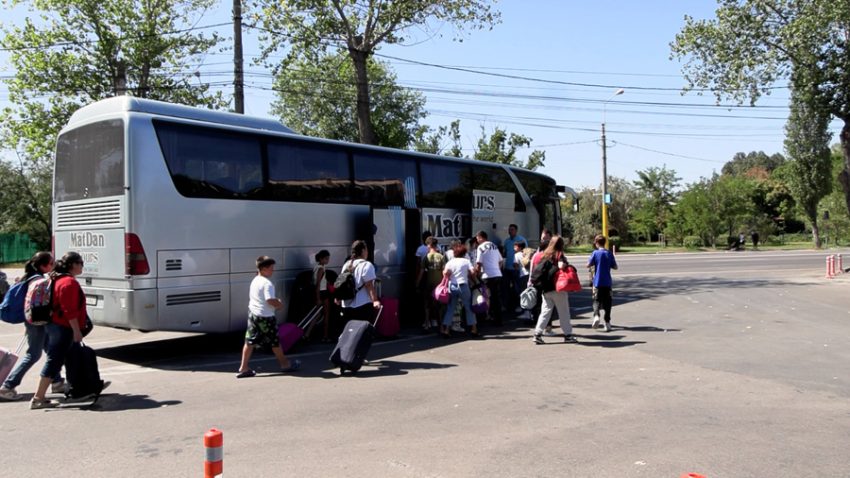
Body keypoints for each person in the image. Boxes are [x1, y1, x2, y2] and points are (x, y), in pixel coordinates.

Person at [30, 252, 110, 409]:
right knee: (54, 361)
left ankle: (81, 388)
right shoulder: (68, 283)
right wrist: (76, 331)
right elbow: (69, 311)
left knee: (72, 357)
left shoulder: (58, 279)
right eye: (80, 262)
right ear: (73, 265)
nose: (82, 266)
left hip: (56, 325)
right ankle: (38, 397)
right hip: (63, 327)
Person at [0, 252, 65, 401]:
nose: (53, 265)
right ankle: (7, 386)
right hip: (37, 321)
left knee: (50, 351)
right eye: (51, 263)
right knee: (33, 354)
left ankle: (57, 382)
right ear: (43, 266)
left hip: (32, 320)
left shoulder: (28, 276)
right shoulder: (39, 280)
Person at [237, 256, 301, 378]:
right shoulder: (267, 283)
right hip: (265, 317)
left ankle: (243, 367)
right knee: (275, 342)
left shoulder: (255, 280)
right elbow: (269, 300)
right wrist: (279, 304)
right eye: (271, 268)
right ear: (264, 269)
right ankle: (285, 364)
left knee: (249, 342)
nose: (273, 270)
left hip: (253, 314)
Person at [532, 235, 578, 344]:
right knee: (564, 312)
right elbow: (561, 266)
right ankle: (568, 335)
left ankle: (537, 334)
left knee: (545, 312)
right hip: (558, 287)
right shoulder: (558, 253)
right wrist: (566, 264)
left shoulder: (544, 254)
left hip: (545, 288)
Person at [441, 244, 478, 338]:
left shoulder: (450, 262)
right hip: (463, 286)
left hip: (452, 287)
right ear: (464, 253)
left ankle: (446, 330)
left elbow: (445, 273)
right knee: (468, 308)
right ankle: (474, 329)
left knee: (450, 308)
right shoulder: (466, 261)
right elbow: (472, 272)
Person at [339, 240, 381, 323]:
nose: (367, 252)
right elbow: (369, 285)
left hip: (346, 306)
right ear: (363, 251)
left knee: (350, 333)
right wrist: (375, 300)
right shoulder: (366, 265)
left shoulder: (346, 265)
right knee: (363, 332)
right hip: (362, 305)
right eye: (366, 250)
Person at [587, 235, 619, 332]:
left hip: (597, 282)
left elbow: (588, 265)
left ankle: (596, 315)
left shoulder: (595, 253)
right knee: (608, 303)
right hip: (607, 282)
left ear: (597, 243)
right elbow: (615, 267)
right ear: (604, 243)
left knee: (596, 300)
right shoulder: (609, 253)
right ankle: (607, 323)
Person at [416, 237, 446, 330]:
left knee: (427, 303)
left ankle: (427, 323)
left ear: (429, 245)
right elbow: (444, 272)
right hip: (439, 284)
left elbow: (421, 272)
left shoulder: (426, 257)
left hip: (429, 283)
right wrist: (444, 284)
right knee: (439, 305)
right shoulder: (441, 256)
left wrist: (417, 283)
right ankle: (441, 325)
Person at [475, 231, 504, 325]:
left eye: (477, 238)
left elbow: (478, 263)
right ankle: (498, 319)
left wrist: (477, 273)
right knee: (497, 298)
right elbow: (501, 260)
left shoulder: (481, 247)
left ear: (481, 238)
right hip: (498, 275)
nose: (477, 240)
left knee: (487, 297)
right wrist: (497, 269)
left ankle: (486, 317)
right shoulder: (494, 246)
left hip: (487, 276)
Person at [501, 224, 527, 313]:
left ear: (516, 230)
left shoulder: (521, 240)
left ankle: (520, 305)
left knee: (518, 288)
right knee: (505, 288)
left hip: (517, 269)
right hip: (507, 268)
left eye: (512, 229)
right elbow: (504, 253)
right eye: (509, 229)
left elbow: (526, 252)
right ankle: (506, 305)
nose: (510, 231)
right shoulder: (507, 241)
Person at [313, 250, 333, 343]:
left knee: (318, 315)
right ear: (321, 259)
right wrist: (318, 298)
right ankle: (325, 336)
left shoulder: (317, 267)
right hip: (322, 292)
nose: (327, 260)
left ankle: (307, 334)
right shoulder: (321, 268)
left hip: (321, 291)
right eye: (326, 258)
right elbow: (318, 284)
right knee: (326, 314)